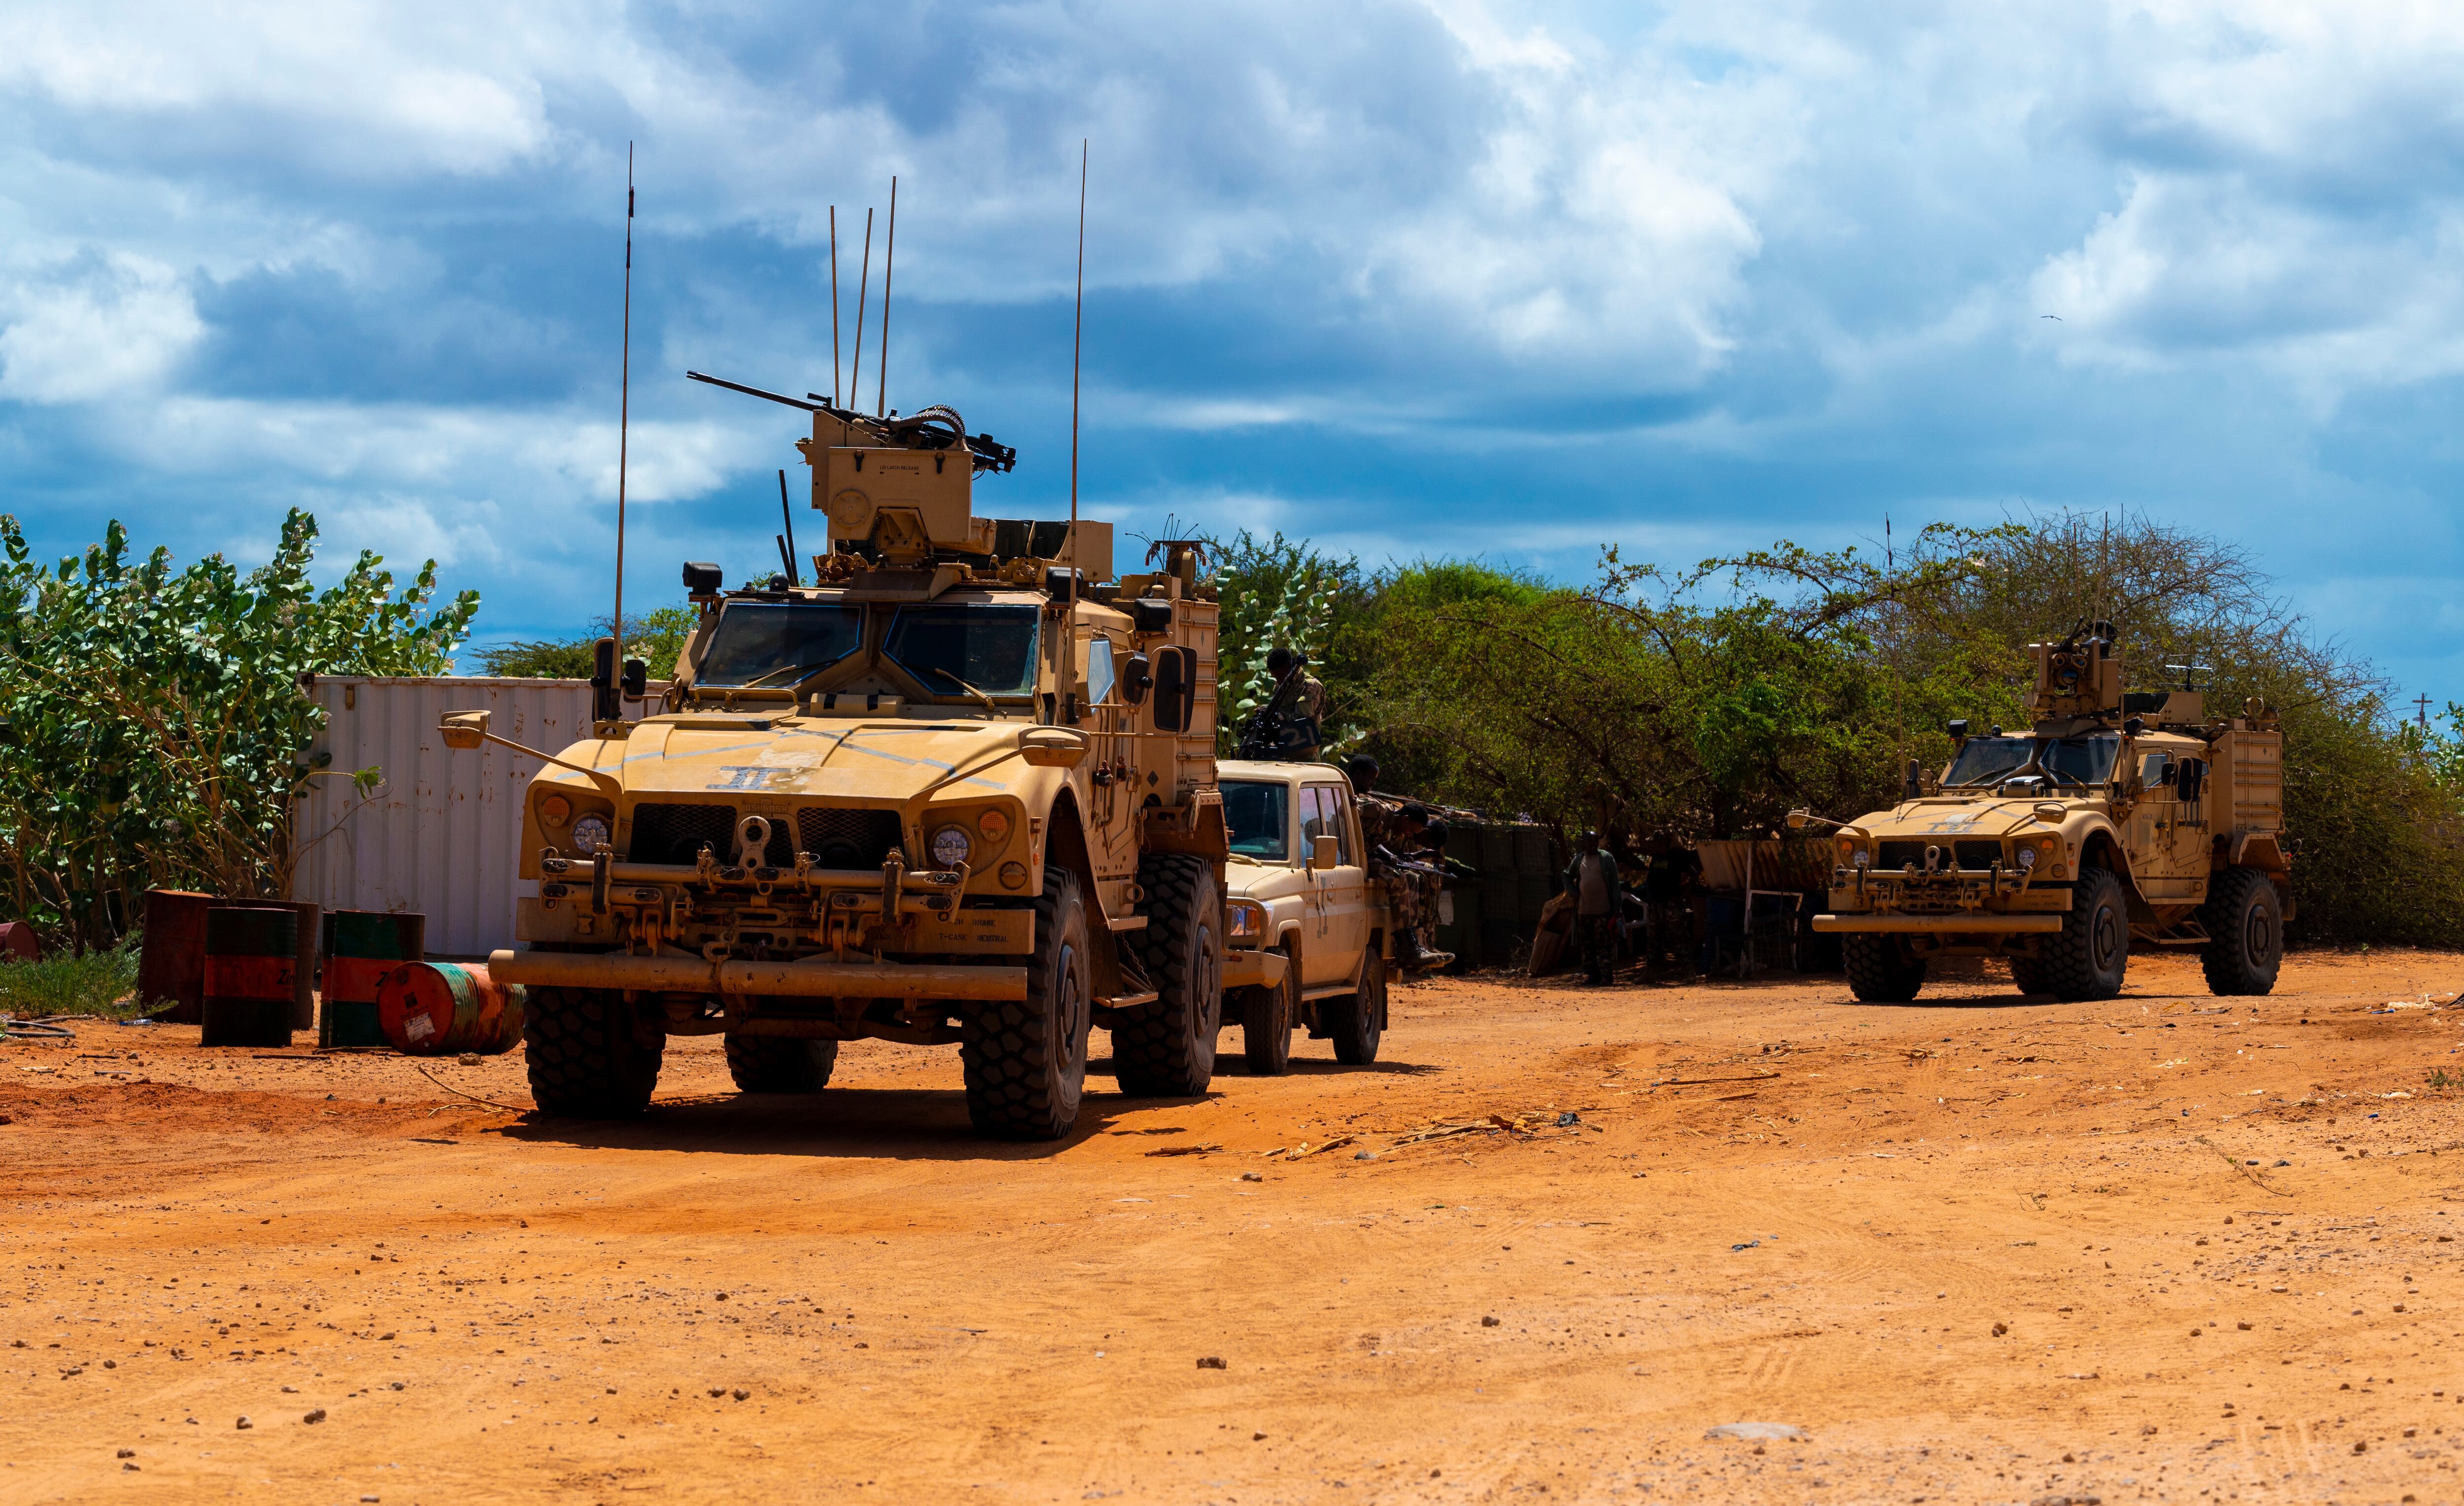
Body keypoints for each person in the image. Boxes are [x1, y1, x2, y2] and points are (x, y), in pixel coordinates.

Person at [1640, 829, 1703, 976]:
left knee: (1678, 936)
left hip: (1672, 904)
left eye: (1655, 842)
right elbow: (1651, 879)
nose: (1653, 845)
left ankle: (1689, 971)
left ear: (1663, 842)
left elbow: (1694, 874)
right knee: (1653, 937)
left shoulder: (1677, 857)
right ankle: (1649, 973)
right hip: (1656, 903)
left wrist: (1684, 894)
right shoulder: (1655, 858)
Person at [1564, 830, 1622, 986]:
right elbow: (1566, 876)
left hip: (1603, 911)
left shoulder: (1606, 859)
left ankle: (1607, 976)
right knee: (1587, 946)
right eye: (1590, 841)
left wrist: (1617, 908)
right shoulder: (1579, 860)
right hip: (1584, 912)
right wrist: (1573, 891)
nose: (1593, 844)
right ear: (1585, 842)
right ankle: (1592, 976)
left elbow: (1615, 885)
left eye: (1595, 841)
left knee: (1604, 945)